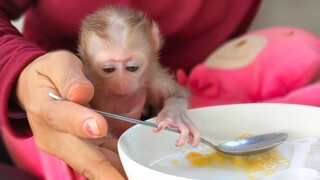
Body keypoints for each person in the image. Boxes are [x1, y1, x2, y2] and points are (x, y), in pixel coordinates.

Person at [0, 0, 261, 179]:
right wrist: (21, 70)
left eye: (133, 67)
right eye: (109, 70)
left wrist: (173, 110)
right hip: (35, 106)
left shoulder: (152, 77)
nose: (123, 84)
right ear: (85, 54)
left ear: (155, 43)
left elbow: (176, 94)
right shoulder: (83, 81)